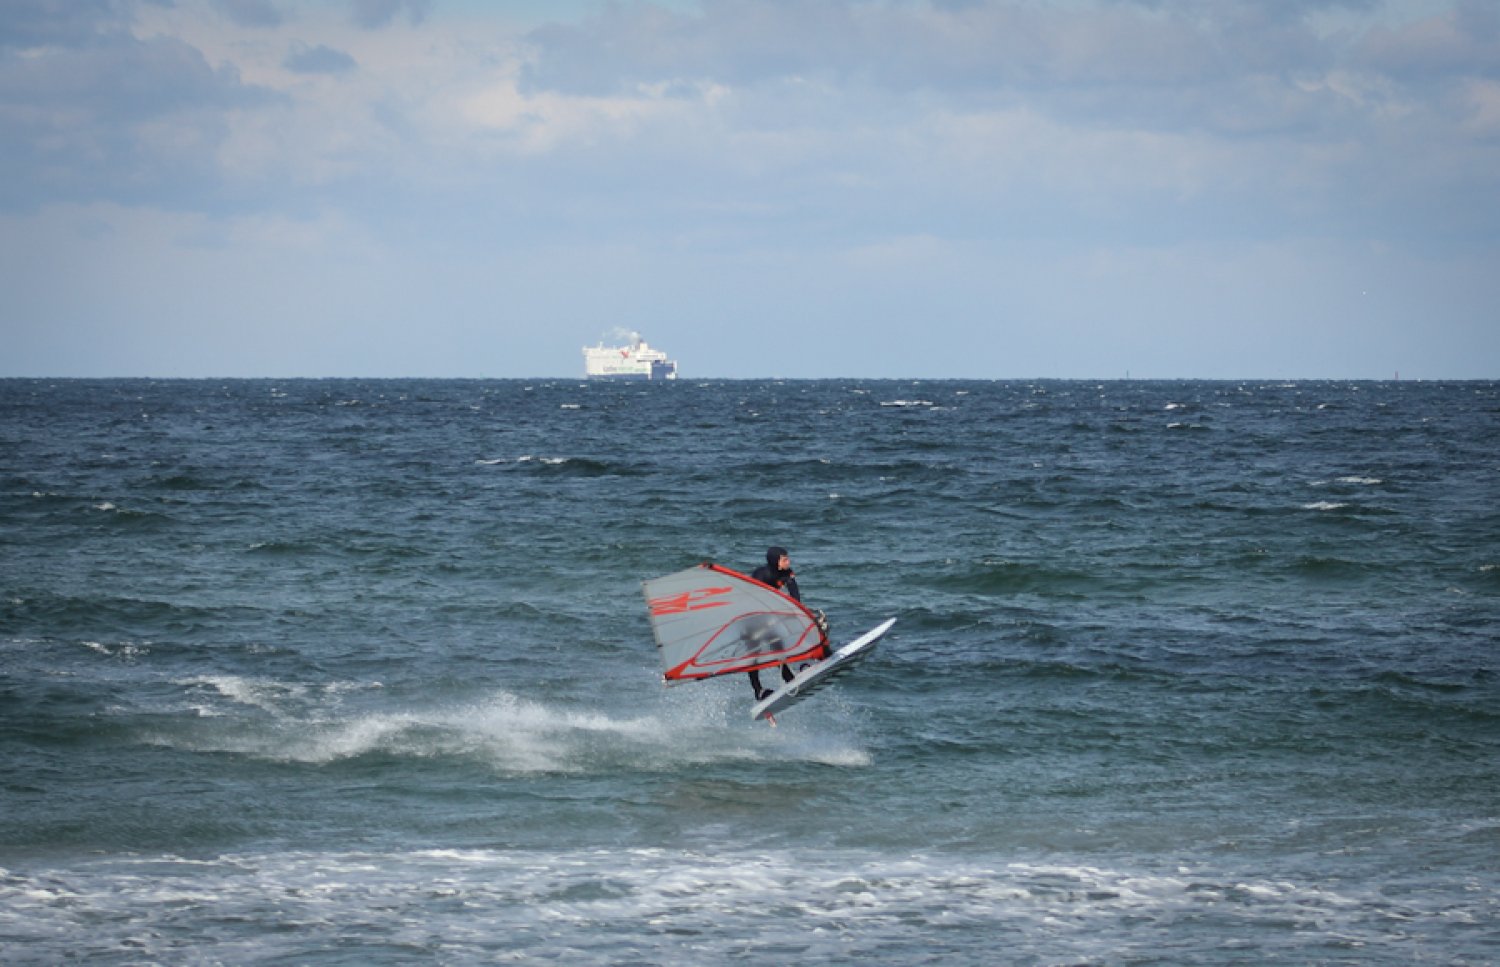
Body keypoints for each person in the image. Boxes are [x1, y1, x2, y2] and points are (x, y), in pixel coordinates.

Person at [747, 546, 829, 701]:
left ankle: (791, 676)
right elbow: (753, 600)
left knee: (778, 645)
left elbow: (795, 595)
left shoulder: (786, 573)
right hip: (750, 615)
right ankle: (758, 690)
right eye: (785, 559)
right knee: (754, 654)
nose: (788, 562)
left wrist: (800, 612)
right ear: (776, 561)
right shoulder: (761, 576)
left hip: (769, 613)